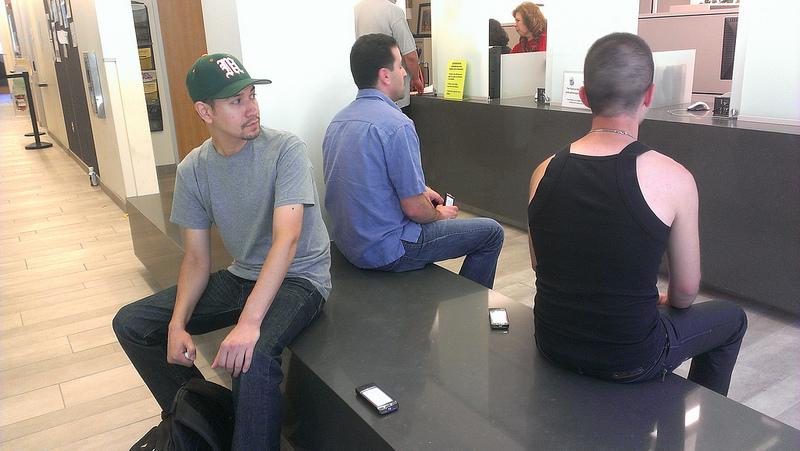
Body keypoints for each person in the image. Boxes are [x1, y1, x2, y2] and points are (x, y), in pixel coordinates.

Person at [113, 53, 332, 449]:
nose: (252, 109)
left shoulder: (286, 150)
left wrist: (248, 324)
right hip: (242, 275)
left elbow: (288, 239)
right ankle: (211, 424)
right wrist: (177, 323)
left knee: (255, 355)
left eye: (252, 95)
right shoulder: (194, 169)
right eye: (236, 101)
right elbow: (196, 258)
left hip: (300, 277)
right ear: (205, 111)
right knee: (133, 323)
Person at [527, 33, 747, 396]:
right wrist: (663, 300)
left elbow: (539, 265)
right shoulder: (675, 178)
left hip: (552, 342)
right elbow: (686, 294)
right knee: (732, 319)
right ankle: (706, 421)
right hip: (631, 359)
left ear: (584, 97)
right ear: (649, 95)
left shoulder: (543, 171)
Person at [323, 34, 504, 289]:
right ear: (385, 75)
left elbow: (370, 182)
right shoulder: (397, 125)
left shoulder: (337, 122)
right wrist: (438, 215)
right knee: (492, 233)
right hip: (386, 250)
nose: (405, 73)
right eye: (400, 66)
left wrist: (421, 190)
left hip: (348, 244)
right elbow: (416, 210)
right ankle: (469, 313)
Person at [354, 0, 424, 108]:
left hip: (368, 91)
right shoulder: (393, 11)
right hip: (393, 94)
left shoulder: (358, 9)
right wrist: (416, 79)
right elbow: (410, 55)